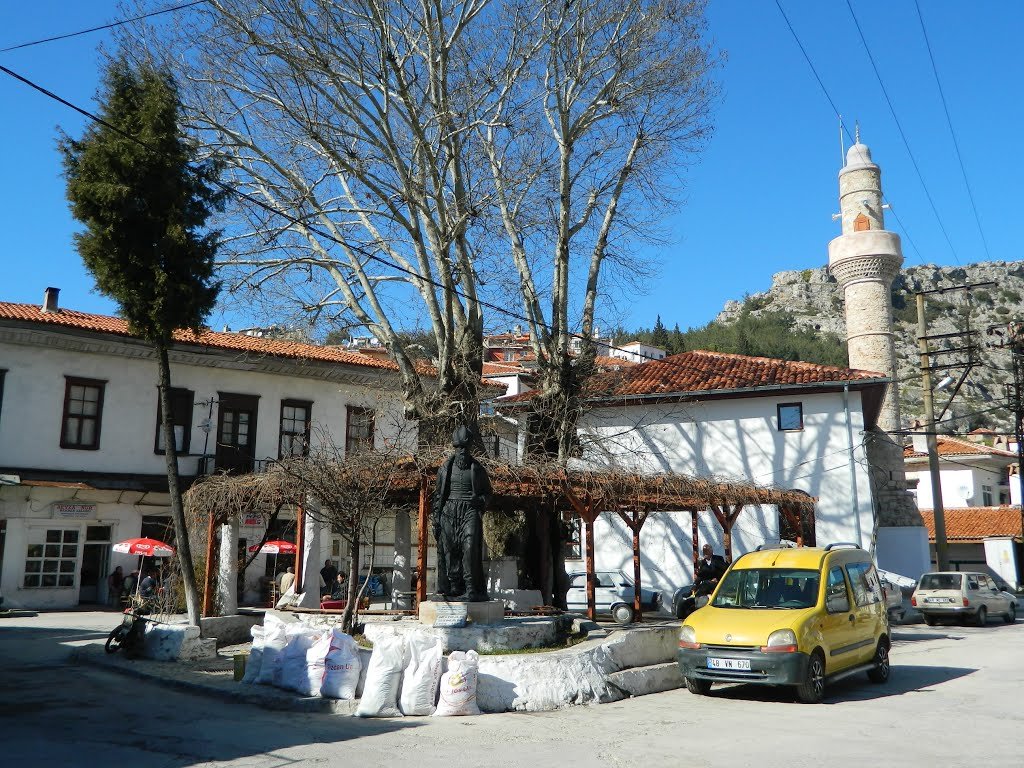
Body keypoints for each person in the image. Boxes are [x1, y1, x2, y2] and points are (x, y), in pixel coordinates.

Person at [431, 425, 492, 602]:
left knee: (469, 547)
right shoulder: (445, 468)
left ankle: (472, 587)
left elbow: (488, 493)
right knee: (449, 550)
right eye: (458, 448)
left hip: (469, 511)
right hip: (449, 511)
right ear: (454, 448)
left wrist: (479, 501)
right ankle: (454, 587)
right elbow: (437, 496)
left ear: (470, 448)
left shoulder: (477, 468)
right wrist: (436, 518)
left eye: (465, 447)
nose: (462, 451)